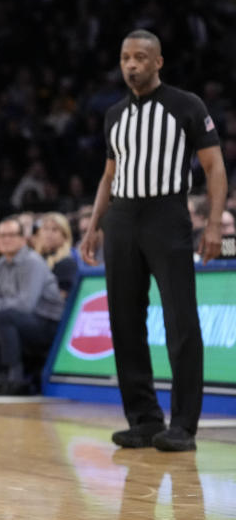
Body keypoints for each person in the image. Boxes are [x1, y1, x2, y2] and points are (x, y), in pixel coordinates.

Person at [80, 29, 228, 452]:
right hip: (122, 218)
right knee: (125, 322)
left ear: (158, 62)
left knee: (181, 321)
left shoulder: (187, 105)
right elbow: (109, 176)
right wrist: (94, 226)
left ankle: (183, 425)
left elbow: (214, 167)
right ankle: (144, 419)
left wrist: (214, 225)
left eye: (141, 57)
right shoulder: (114, 115)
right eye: (126, 57)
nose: (132, 64)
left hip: (167, 214)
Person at [0, 217, 65, 395]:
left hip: (48, 324)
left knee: (4, 315)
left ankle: (15, 378)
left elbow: (26, 305)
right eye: (2, 235)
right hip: (18, 321)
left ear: (22, 239)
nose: (5, 239)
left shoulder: (33, 262)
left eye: (11, 235)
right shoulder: (1, 265)